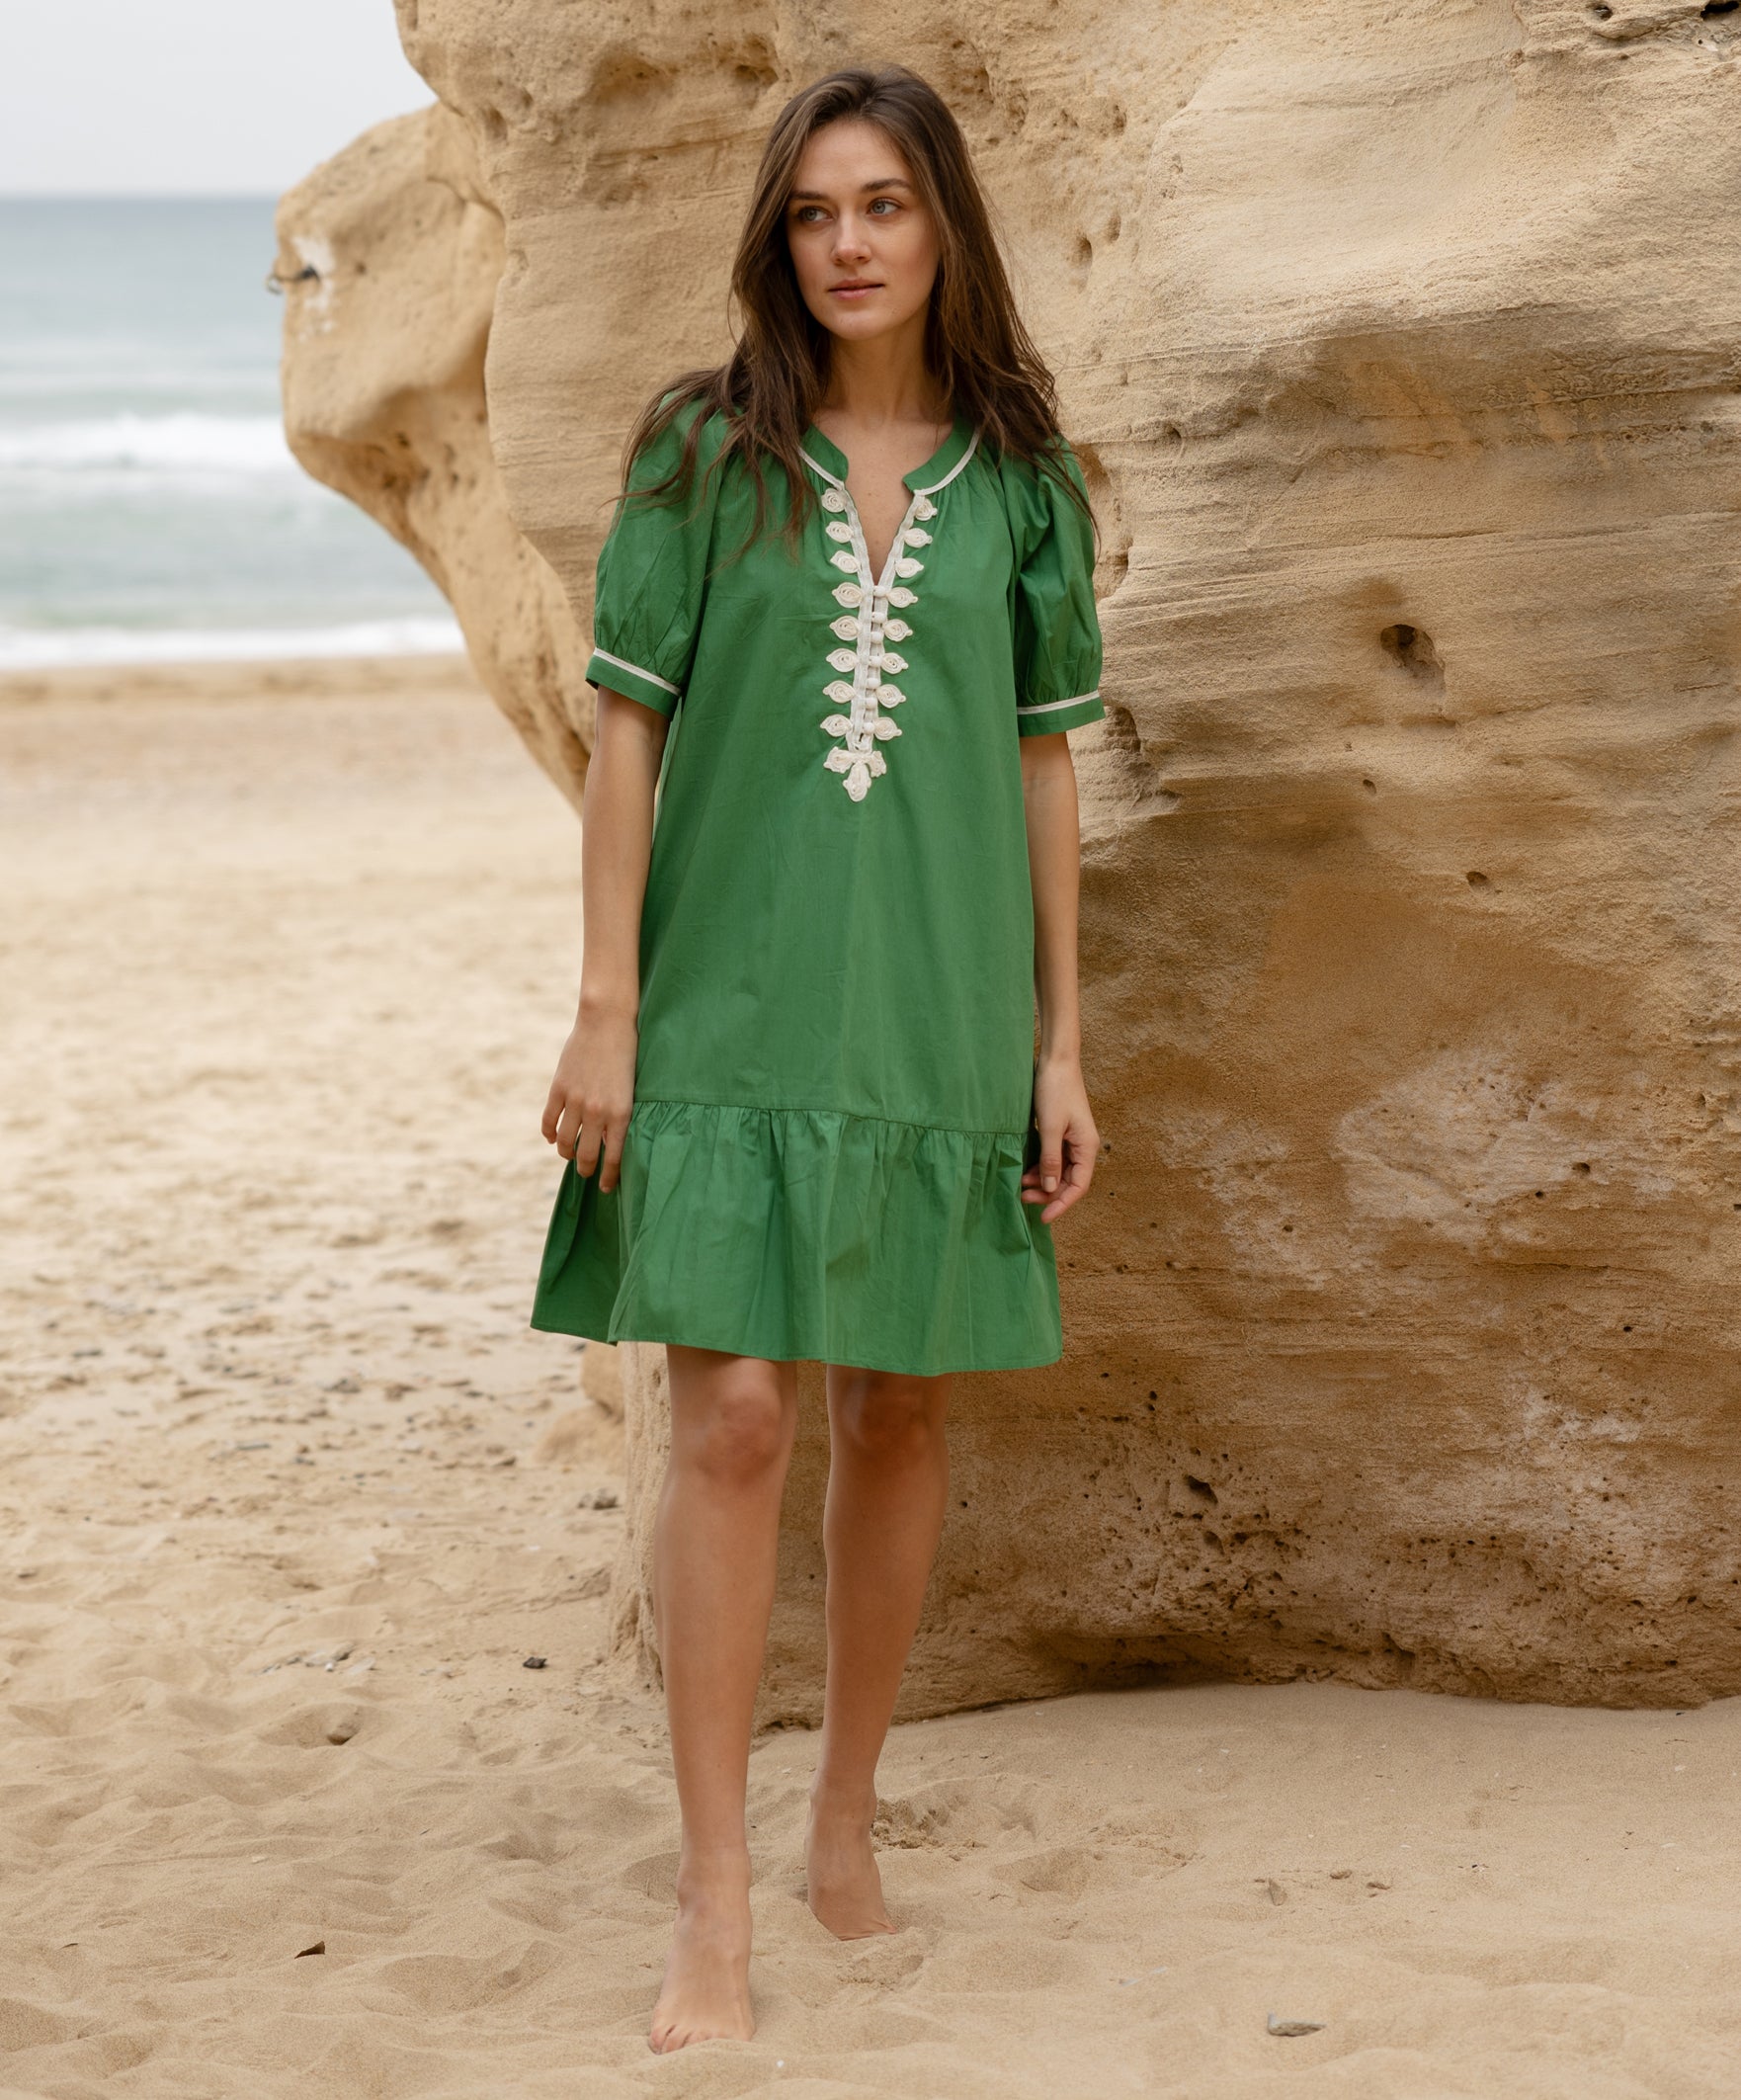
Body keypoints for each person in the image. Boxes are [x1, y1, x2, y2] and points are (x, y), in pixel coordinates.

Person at [533, 61, 1105, 2055]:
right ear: (777, 240)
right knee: (738, 1419)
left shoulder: (1021, 479)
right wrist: (604, 1002)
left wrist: (1058, 1043)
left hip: (938, 1005)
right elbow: (626, 736)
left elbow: (1038, 769)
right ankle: (710, 1892)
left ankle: (840, 1825)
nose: (846, 243)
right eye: (811, 213)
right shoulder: (705, 454)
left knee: (901, 1419)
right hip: (724, 1001)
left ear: (942, 226)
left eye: (880, 206)